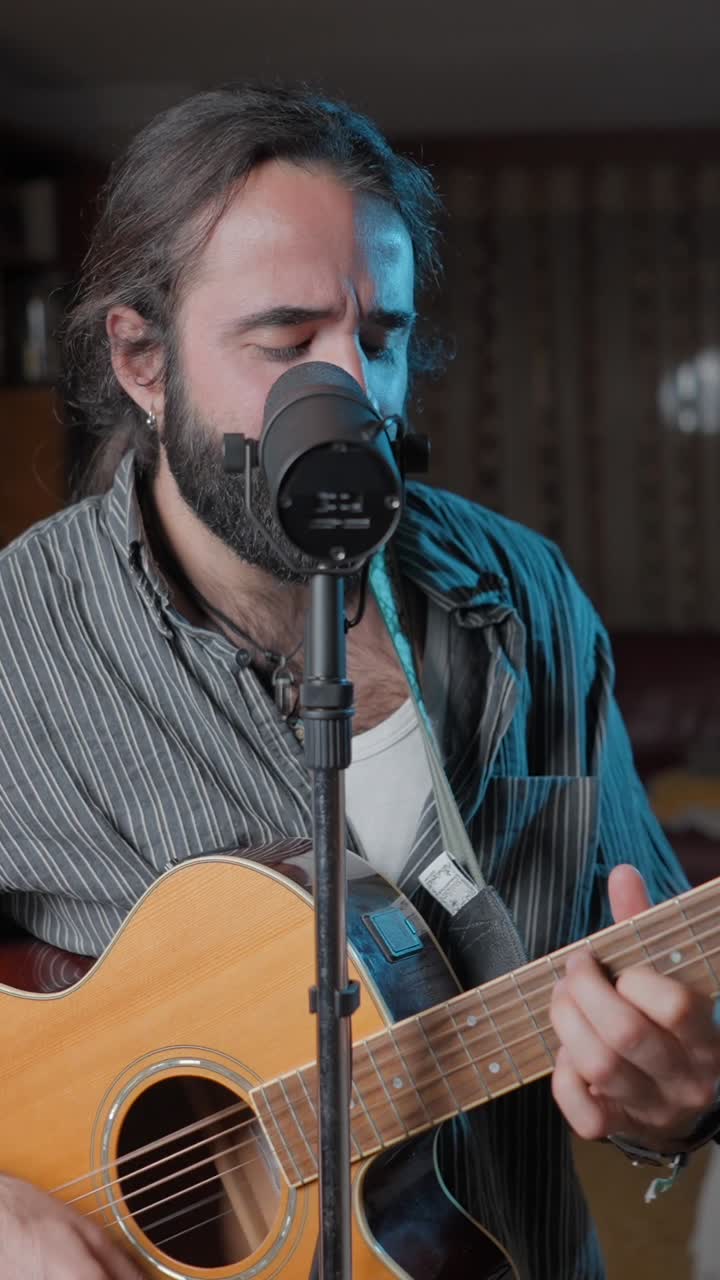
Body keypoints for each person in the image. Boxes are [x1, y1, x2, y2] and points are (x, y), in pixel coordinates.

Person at [0, 83, 718, 1280]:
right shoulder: (19, 636)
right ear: (141, 360)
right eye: (286, 343)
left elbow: (649, 976)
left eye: (378, 340)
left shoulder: (523, 596)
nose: (359, 397)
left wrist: (674, 1098)